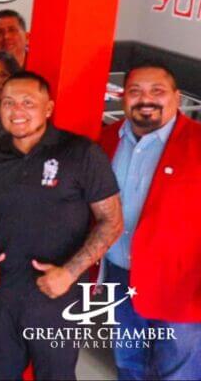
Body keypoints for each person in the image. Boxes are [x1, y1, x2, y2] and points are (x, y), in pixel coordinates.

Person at [0, 71, 123, 380]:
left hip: (58, 296)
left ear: (48, 108)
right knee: (3, 374)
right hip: (5, 293)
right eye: (9, 102)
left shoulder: (81, 153)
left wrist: (70, 272)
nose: (17, 110)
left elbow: (112, 221)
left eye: (28, 102)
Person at [98, 62, 201, 380]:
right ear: (123, 98)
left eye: (157, 91)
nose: (146, 99)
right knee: (129, 363)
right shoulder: (107, 139)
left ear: (176, 97)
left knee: (177, 371)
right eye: (135, 91)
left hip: (182, 286)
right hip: (120, 276)